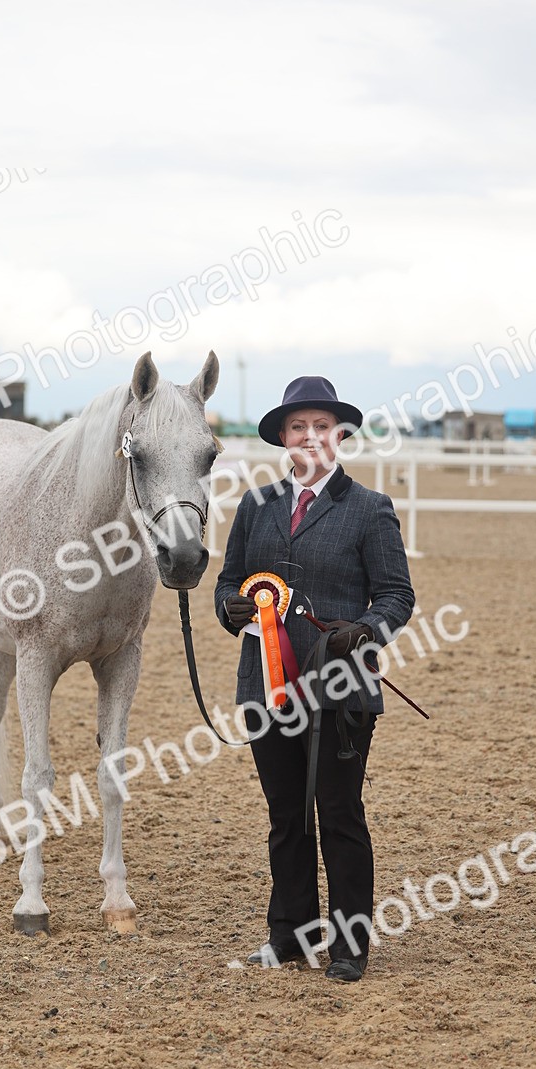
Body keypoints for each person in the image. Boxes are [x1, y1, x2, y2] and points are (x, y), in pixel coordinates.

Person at [214, 376, 415, 982]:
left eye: (321, 427)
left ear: (339, 435)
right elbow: (229, 585)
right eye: (299, 427)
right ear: (283, 436)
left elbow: (397, 596)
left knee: (338, 812)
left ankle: (349, 945)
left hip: (340, 689)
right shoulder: (255, 506)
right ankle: (291, 937)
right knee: (285, 815)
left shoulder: (369, 509)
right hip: (268, 685)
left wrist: (365, 630)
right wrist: (234, 609)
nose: (310, 437)